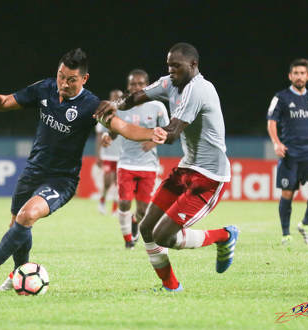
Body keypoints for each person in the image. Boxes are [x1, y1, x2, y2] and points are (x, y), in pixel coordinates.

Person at [0, 48, 166, 291]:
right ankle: (18, 276)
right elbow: (3, 102)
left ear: (84, 79)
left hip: (61, 180)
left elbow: (123, 127)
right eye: (61, 76)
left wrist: (151, 133)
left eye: (71, 79)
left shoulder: (91, 105)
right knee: (18, 225)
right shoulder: (45, 88)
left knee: (27, 215)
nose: (63, 83)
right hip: (33, 170)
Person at [94, 42, 239, 292]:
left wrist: (142, 133)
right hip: (187, 168)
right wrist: (115, 105)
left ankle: (225, 236)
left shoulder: (198, 90)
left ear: (193, 65)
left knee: (163, 236)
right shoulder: (169, 82)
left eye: (177, 66)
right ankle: (171, 286)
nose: (171, 70)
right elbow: (136, 98)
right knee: (146, 227)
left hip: (210, 176)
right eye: (169, 65)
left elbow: (172, 133)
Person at [266, 58, 308, 246]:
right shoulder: (281, 98)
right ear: (290, 76)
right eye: (296, 73)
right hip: (290, 155)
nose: (299, 76)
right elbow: (271, 122)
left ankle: (305, 224)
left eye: (302, 73)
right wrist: (276, 143)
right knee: (288, 193)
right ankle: (286, 234)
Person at [105, 69, 169, 249]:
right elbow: (116, 129)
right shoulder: (122, 107)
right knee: (124, 202)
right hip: (125, 163)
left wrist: (153, 143)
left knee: (142, 211)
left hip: (148, 165)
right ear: (128, 86)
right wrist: (109, 137)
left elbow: (168, 132)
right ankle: (127, 240)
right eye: (133, 84)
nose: (137, 87)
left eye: (141, 84)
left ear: (147, 86)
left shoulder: (157, 106)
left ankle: (135, 221)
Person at [95, 89, 123, 215]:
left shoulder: (126, 114)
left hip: (122, 155)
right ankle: (102, 202)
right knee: (107, 182)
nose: (116, 100)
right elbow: (98, 136)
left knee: (119, 183)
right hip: (107, 154)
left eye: (119, 98)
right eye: (114, 97)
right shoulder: (104, 114)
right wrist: (98, 155)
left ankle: (114, 208)